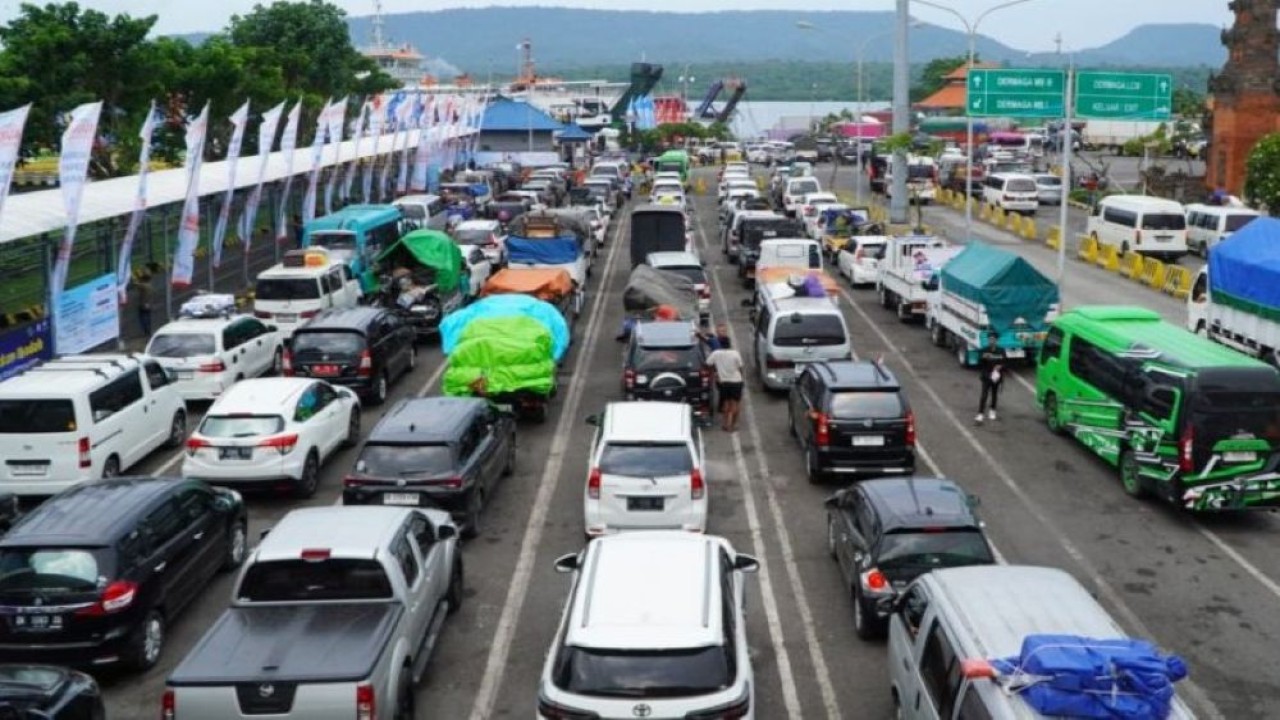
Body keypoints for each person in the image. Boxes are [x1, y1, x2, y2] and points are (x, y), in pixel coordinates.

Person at [705, 344, 744, 432]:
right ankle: (733, 424)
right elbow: (740, 367)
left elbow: (708, 363)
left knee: (725, 403)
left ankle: (725, 424)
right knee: (735, 404)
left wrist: (715, 373)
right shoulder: (735, 353)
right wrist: (742, 377)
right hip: (736, 382)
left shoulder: (716, 353)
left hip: (724, 382)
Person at [975, 331, 1006, 424]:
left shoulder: (1001, 351)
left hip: (996, 376)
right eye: (990, 339)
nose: (991, 341)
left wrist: (1000, 366)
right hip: (986, 375)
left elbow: (1005, 362)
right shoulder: (984, 350)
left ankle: (992, 410)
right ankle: (980, 413)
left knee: (994, 394)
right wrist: (983, 359)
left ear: (996, 340)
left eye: (993, 339)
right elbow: (979, 362)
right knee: (984, 395)